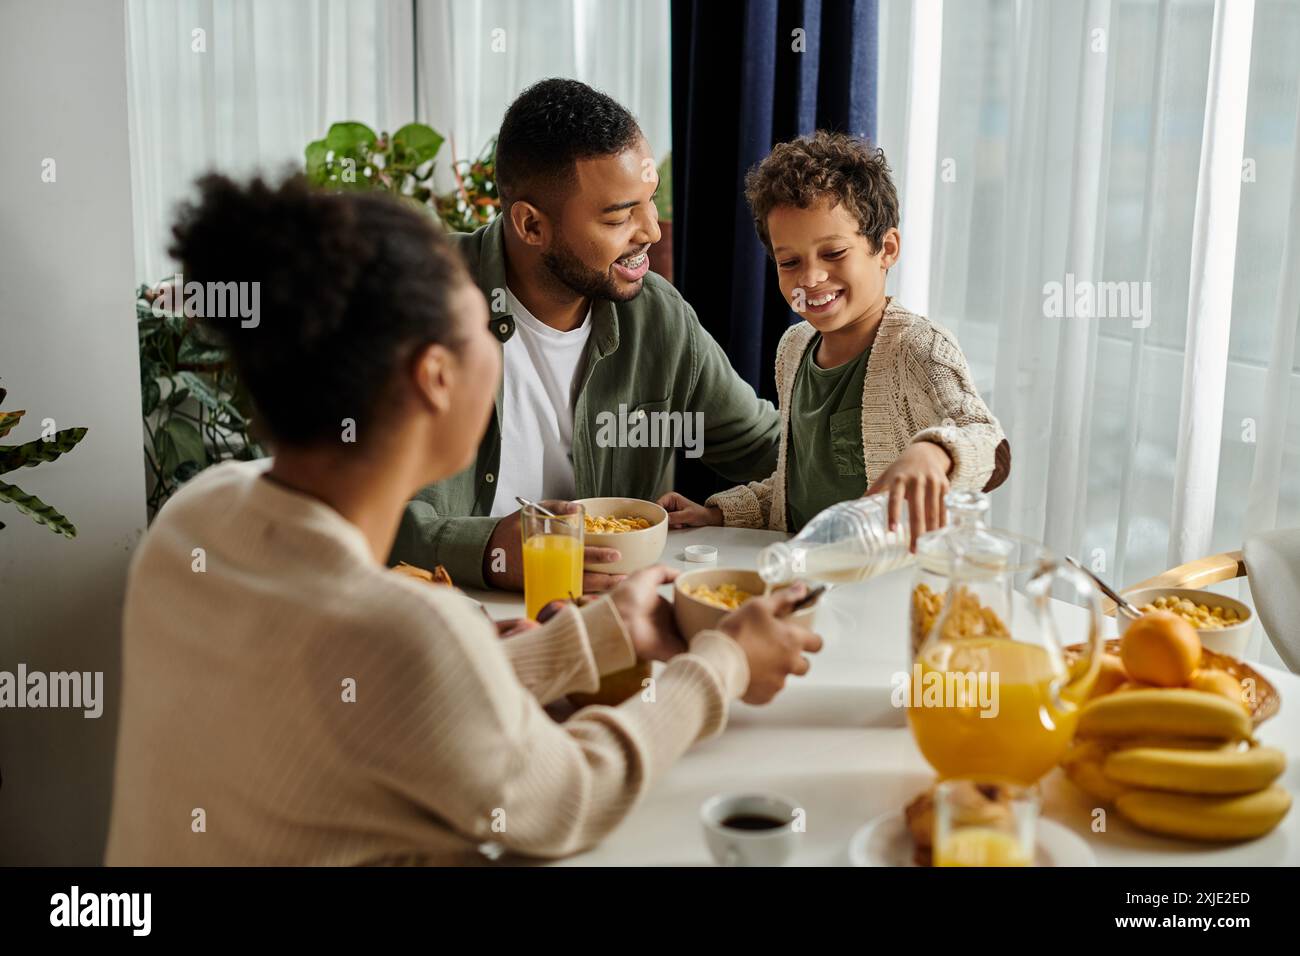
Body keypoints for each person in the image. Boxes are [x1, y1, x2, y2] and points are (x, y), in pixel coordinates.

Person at [104, 175, 821, 866]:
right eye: (487, 326)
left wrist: (594, 637)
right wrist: (721, 664)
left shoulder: (192, 523)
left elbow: (391, 700)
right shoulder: (404, 628)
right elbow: (569, 798)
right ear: (435, 377)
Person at [391, 78, 782, 593]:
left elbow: (776, 452)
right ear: (531, 226)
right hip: (445, 632)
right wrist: (488, 551)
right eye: (620, 216)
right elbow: (338, 506)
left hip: (613, 630)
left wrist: (924, 449)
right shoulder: (413, 305)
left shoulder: (656, 317)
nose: (652, 231)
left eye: (649, 202)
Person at [659, 132, 1010, 543]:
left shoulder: (917, 346)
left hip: (893, 583)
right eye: (789, 261)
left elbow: (990, 445)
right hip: (809, 578)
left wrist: (934, 453)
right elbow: (795, 486)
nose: (810, 278)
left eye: (834, 253)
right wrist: (717, 513)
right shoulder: (793, 349)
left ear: (887, 249)